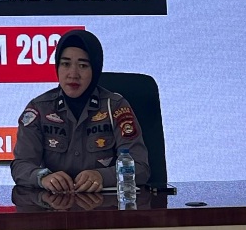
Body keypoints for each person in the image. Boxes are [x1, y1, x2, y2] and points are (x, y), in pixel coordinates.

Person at [11, 29, 150, 192]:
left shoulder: (115, 107)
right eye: (65, 64)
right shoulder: (39, 109)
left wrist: (102, 176)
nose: (73, 74)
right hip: (54, 204)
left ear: (95, 69)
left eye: (83, 65)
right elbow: (21, 166)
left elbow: (140, 168)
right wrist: (42, 177)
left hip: (106, 205)